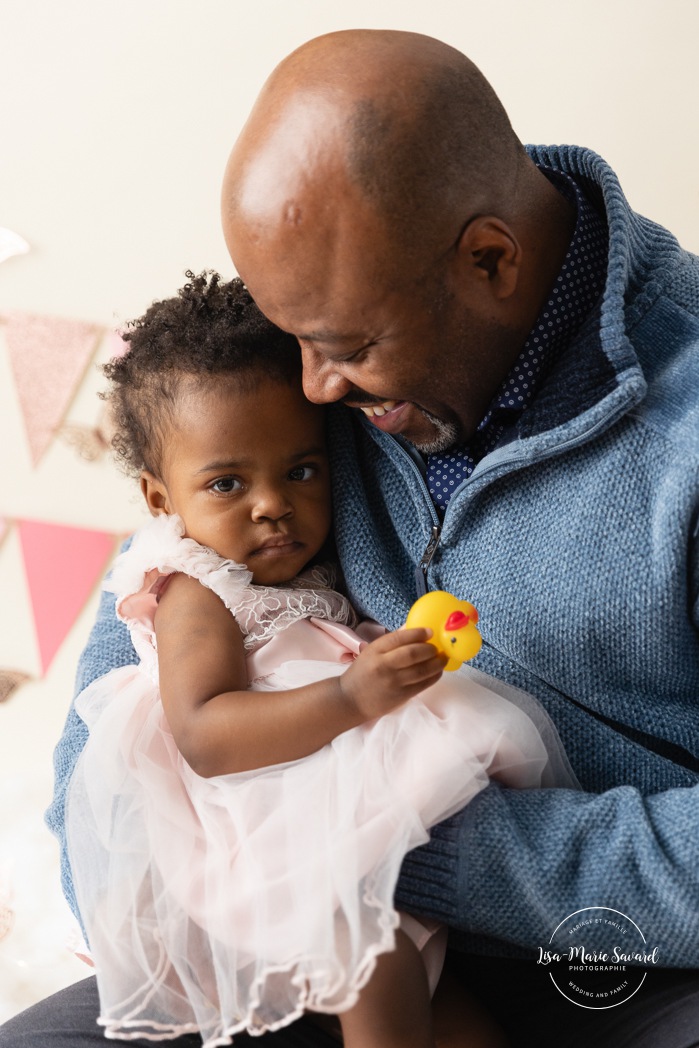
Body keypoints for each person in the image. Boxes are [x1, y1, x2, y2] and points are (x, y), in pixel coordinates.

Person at [2, 26, 698, 1048]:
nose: (315, 391)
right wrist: (156, 864)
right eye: (299, 345)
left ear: (490, 259)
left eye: (348, 352)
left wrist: (400, 840)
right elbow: (159, 596)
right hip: (300, 917)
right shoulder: (328, 324)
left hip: (629, 960)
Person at [61, 271, 572, 1048]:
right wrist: (351, 698)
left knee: (453, 1011)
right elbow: (204, 731)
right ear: (161, 500)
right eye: (227, 483)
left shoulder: (297, 559)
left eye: (300, 471)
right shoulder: (195, 587)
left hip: (335, 811)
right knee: (378, 969)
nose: (273, 504)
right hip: (262, 829)